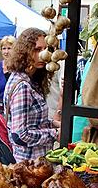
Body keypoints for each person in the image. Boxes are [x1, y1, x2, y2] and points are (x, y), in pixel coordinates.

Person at [4, 27, 60, 162]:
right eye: (37, 49)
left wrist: (53, 123)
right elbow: (19, 134)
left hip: (36, 161)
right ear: (24, 52)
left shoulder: (29, 80)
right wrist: (55, 134)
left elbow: (33, 123)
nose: (42, 54)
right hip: (29, 165)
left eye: (45, 49)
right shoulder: (23, 86)